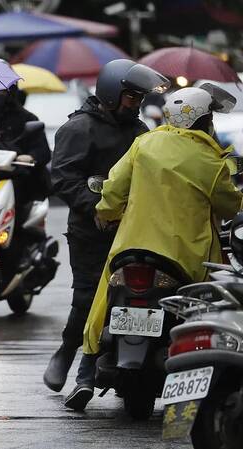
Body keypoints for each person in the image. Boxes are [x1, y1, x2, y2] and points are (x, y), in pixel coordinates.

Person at [65, 84, 243, 411]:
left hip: (131, 248)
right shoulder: (211, 159)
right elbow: (230, 207)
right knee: (206, 307)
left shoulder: (143, 144)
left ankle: (85, 374)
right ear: (203, 121)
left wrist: (106, 213)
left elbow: (113, 190)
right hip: (188, 258)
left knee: (102, 301)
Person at [44, 59, 169, 395]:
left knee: (125, 299)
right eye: (131, 96)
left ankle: (91, 371)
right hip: (90, 231)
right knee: (87, 298)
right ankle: (68, 350)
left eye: (140, 98)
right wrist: (96, 207)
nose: (137, 103)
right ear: (112, 93)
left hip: (132, 229)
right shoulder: (78, 129)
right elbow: (63, 180)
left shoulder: (140, 131)